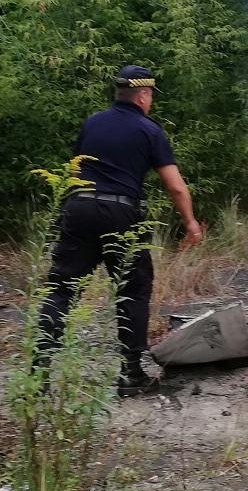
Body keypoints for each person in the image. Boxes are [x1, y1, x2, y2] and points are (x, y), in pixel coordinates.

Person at [36, 65, 203, 396]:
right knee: (133, 288)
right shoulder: (148, 130)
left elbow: (75, 169)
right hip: (121, 213)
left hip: (79, 207)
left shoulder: (92, 123)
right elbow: (176, 187)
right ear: (142, 95)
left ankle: (37, 374)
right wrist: (190, 222)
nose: (151, 101)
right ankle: (131, 375)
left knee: (62, 288)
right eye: (151, 95)